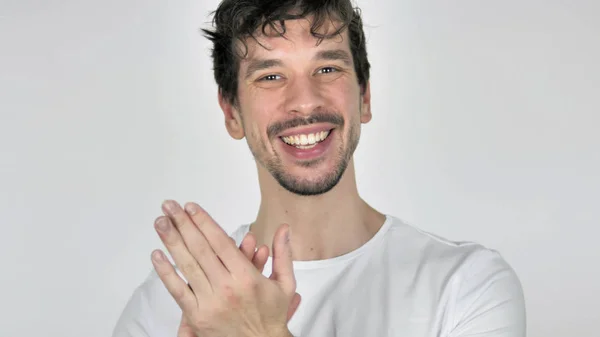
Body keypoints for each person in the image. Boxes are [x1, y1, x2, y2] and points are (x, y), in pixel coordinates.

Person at [112, 0, 526, 336]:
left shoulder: (467, 286)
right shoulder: (165, 307)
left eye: (327, 69)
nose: (305, 101)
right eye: (271, 75)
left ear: (364, 96)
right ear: (232, 112)